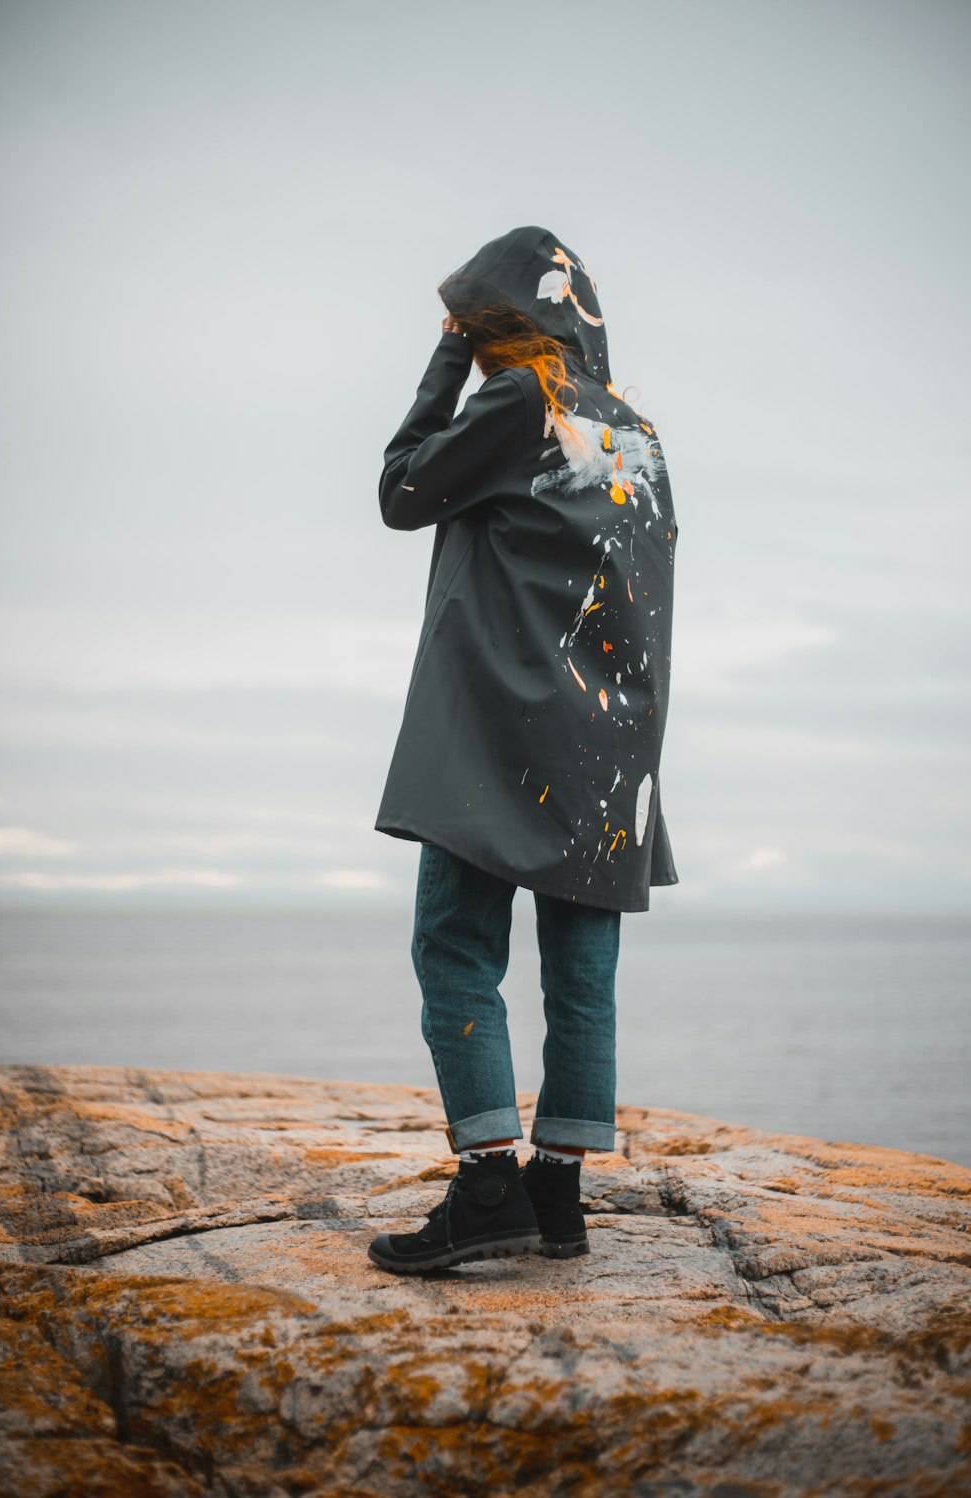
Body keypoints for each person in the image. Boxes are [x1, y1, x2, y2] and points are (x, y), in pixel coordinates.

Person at [366, 226, 678, 1275]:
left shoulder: (515, 403)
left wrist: (449, 359)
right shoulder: (638, 432)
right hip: (613, 750)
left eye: (480, 326)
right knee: (583, 978)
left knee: (454, 948)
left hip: (502, 732)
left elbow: (401, 491)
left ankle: (487, 1183)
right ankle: (558, 1192)